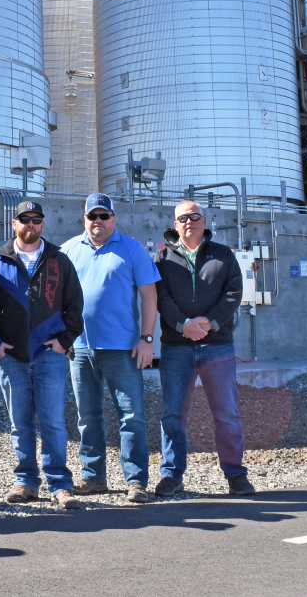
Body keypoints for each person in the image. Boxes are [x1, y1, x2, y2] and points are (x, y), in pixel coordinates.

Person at [0, 200, 85, 509]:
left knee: (52, 422)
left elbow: (75, 308)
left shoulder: (59, 262)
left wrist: (64, 341)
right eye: (25, 219)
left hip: (49, 355)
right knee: (20, 423)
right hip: (11, 357)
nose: (31, 225)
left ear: (43, 225)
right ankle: (26, 481)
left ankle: (60, 484)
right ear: (14, 224)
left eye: (36, 220)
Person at [61, 192, 160, 504]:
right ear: (85, 219)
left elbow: (149, 296)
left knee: (131, 416)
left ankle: (136, 481)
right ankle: (93, 478)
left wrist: (146, 339)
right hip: (80, 348)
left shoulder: (132, 249)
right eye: (93, 216)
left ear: (114, 219)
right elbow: (58, 299)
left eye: (104, 216)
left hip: (124, 349)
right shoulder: (68, 250)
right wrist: (63, 337)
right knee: (87, 416)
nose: (98, 222)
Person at [153, 199, 255, 498]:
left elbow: (234, 293)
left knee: (226, 413)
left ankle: (235, 474)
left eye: (195, 216)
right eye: (183, 218)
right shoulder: (162, 259)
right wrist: (182, 323)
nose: (189, 222)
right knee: (173, 414)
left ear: (205, 220)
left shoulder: (222, 255)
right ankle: (172, 476)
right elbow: (160, 297)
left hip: (217, 348)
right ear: (175, 224)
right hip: (176, 347)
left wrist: (209, 323)